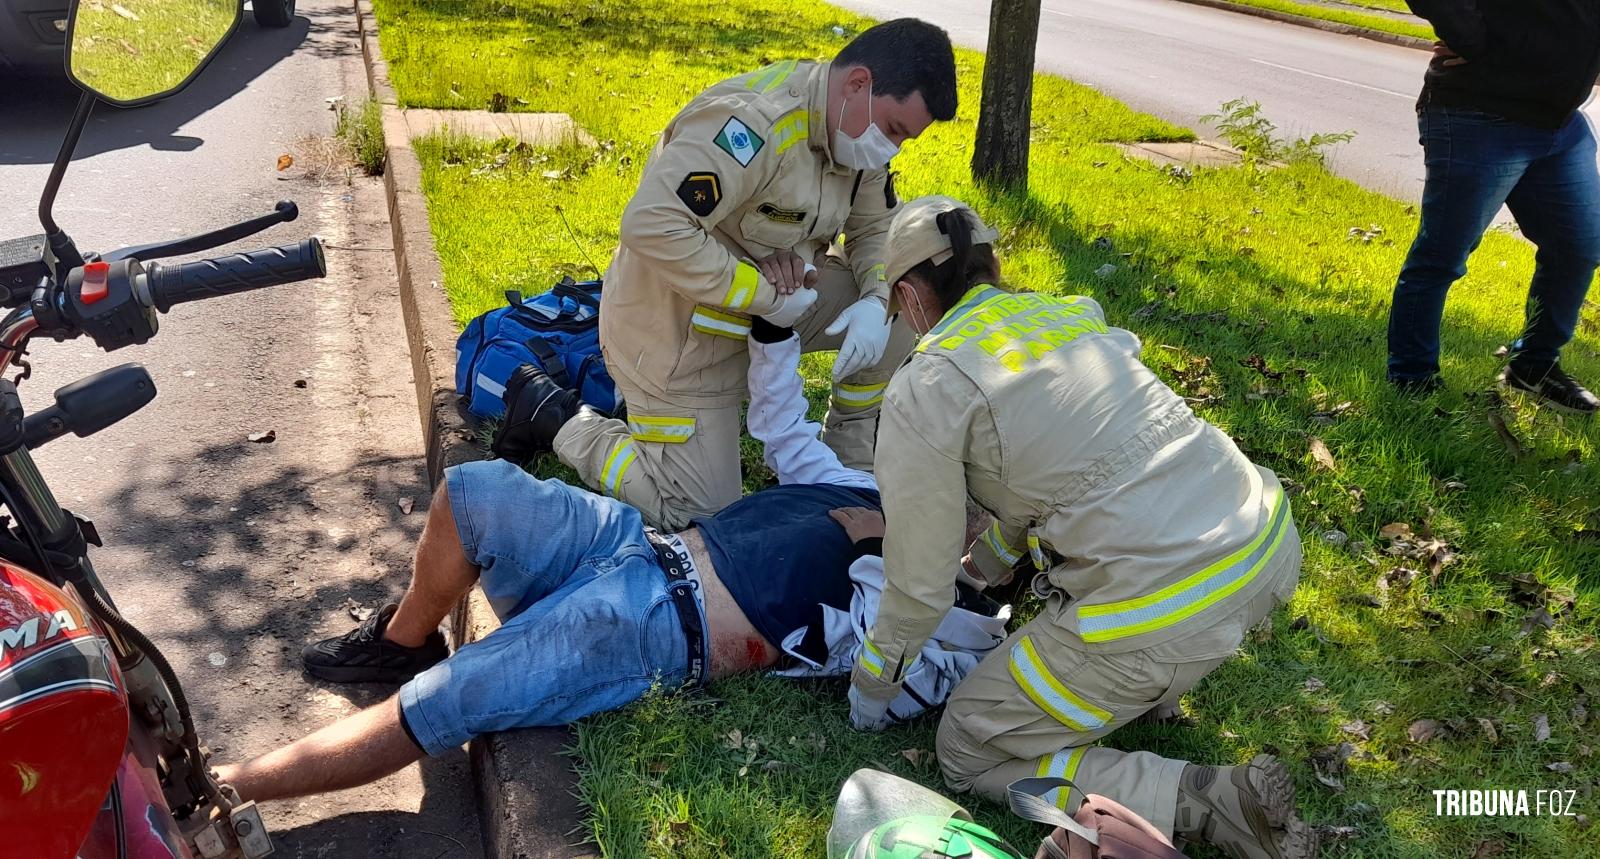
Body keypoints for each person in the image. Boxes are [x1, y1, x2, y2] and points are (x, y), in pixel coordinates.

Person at [211, 315, 998, 803]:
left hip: (651, 627)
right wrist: (774, 330)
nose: (940, 487)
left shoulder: (938, 606)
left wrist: (944, 592)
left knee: (446, 700)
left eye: (969, 495)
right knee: (473, 491)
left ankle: (224, 791)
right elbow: (784, 424)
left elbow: (887, 692)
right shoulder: (856, 483)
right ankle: (398, 641)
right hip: (632, 543)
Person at [845, 196, 1315, 859]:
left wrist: (872, 687)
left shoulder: (930, 383)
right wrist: (985, 564)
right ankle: (1148, 688)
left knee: (969, 746)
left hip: (1162, 600)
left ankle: (1208, 798)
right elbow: (1052, 482)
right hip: (1260, 541)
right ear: (994, 265)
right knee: (1107, 606)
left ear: (908, 297)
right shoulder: (1068, 315)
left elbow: (918, 583)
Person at [509, 18, 960, 532]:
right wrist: (764, 296)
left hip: (776, 309)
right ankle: (561, 419)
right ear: (858, 84)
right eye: (895, 130)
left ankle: (845, 475)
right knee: (700, 516)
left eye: (904, 139)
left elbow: (874, 227)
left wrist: (876, 299)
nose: (892, 148)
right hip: (677, 334)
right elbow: (651, 224)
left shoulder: (852, 132)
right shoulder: (752, 125)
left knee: (903, 309)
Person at [1387, 1, 1600, 413]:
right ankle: (1412, 381)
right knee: (1442, 258)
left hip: (1561, 122)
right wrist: (1475, 40)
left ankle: (1534, 366)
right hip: (1479, 113)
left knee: (1578, 248)